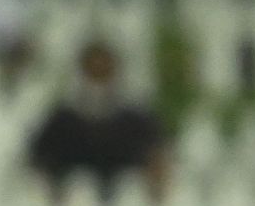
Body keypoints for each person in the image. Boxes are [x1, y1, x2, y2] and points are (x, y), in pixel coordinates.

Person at [28, 39, 167, 197]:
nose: (98, 77)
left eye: (104, 71)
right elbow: (40, 159)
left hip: (129, 205)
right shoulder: (62, 120)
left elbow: (156, 155)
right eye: (92, 71)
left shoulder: (136, 120)